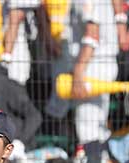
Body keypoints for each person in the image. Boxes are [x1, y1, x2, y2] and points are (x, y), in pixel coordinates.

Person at [47, 0, 118, 145]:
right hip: (92, 64)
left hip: (93, 66)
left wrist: (79, 72)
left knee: (88, 127)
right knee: (92, 125)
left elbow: (92, 34)